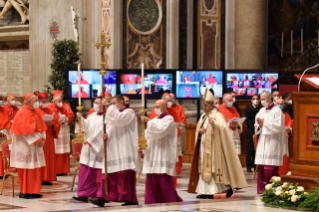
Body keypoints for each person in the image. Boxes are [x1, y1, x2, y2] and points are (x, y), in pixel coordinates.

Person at [188, 88, 247, 199]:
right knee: (207, 170)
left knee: (216, 170)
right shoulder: (203, 116)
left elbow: (224, 128)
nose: (204, 107)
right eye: (204, 105)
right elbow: (198, 129)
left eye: (206, 105)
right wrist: (200, 132)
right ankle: (206, 191)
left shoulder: (217, 115)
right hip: (204, 147)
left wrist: (214, 124)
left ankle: (224, 188)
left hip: (215, 148)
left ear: (211, 105)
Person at [89, 95, 139, 207]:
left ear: (121, 103)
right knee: (108, 173)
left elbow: (118, 120)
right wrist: (106, 135)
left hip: (125, 148)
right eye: (110, 104)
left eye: (113, 103)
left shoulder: (129, 113)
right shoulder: (113, 114)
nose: (111, 106)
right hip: (114, 148)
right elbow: (111, 127)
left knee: (126, 175)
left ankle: (131, 199)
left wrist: (108, 106)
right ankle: (101, 197)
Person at [140, 99, 183, 204]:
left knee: (162, 178)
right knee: (152, 176)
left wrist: (148, 122)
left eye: (158, 107)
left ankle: (167, 199)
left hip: (163, 152)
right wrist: (144, 141)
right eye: (155, 106)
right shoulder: (154, 119)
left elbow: (160, 131)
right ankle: (151, 200)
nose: (156, 109)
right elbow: (148, 132)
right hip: (153, 152)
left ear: (165, 108)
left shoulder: (169, 119)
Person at [10, 93, 47, 199]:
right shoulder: (22, 112)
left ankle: (34, 191)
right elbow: (25, 131)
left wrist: (43, 139)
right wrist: (38, 141)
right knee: (26, 169)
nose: (37, 102)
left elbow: (41, 127)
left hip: (35, 146)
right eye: (35, 100)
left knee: (34, 169)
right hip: (25, 146)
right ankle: (25, 192)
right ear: (29, 102)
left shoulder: (35, 112)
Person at [72, 97, 105, 202]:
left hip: (96, 149)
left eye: (97, 103)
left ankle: (99, 194)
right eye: (94, 102)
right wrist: (80, 119)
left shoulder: (105, 118)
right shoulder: (91, 116)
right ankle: (83, 193)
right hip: (88, 148)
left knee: (96, 172)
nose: (94, 104)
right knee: (85, 170)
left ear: (102, 105)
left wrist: (90, 141)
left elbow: (101, 132)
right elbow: (86, 126)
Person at [255, 91, 285, 194]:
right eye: (260, 99)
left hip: (273, 141)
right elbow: (256, 125)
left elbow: (280, 127)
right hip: (263, 140)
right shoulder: (261, 110)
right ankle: (262, 189)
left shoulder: (277, 111)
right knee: (262, 166)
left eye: (263, 99)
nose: (261, 101)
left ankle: (273, 190)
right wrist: (258, 124)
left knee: (270, 166)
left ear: (269, 99)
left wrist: (265, 123)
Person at [48, 90, 75, 176]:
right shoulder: (49, 107)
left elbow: (71, 116)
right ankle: (56, 170)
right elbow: (52, 118)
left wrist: (65, 118)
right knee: (56, 151)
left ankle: (64, 170)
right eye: (59, 101)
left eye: (61, 100)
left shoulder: (66, 106)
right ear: (54, 101)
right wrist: (62, 118)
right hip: (56, 131)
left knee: (64, 150)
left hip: (64, 131)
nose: (61, 102)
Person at [38, 92, 61, 185]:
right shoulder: (35, 110)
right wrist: (43, 124)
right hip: (39, 136)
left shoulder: (50, 110)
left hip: (49, 136)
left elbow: (57, 123)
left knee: (49, 156)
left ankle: (48, 178)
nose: (45, 103)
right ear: (39, 101)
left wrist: (52, 124)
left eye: (46, 101)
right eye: (43, 101)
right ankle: (40, 177)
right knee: (40, 156)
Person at [170, 93, 187, 173]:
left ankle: (177, 168)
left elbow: (183, 120)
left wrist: (179, 126)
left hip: (176, 131)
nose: (171, 100)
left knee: (177, 151)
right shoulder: (164, 108)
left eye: (173, 98)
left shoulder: (179, 107)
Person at [276, 98, 293, 175]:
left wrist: (289, 129)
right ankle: (275, 174)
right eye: (278, 104)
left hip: (283, 140)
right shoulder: (271, 115)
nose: (279, 105)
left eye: (281, 104)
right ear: (275, 105)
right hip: (274, 140)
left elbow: (290, 126)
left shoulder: (286, 115)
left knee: (283, 155)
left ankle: (283, 172)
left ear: (283, 105)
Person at [244, 95, 260, 173]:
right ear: (251, 100)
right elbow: (248, 121)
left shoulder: (260, 109)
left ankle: (255, 165)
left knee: (256, 150)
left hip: (258, 133)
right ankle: (248, 166)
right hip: (250, 132)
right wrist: (254, 128)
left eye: (257, 99)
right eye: (254, 99)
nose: (256, 100)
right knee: (249, 150)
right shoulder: (248, 109)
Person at [0, 96, 11, 180]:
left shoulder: (5, 110)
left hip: (2, 135)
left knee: (3, 153)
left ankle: (3, 172)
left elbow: (7, 125)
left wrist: (2, 132)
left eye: (1, 100)